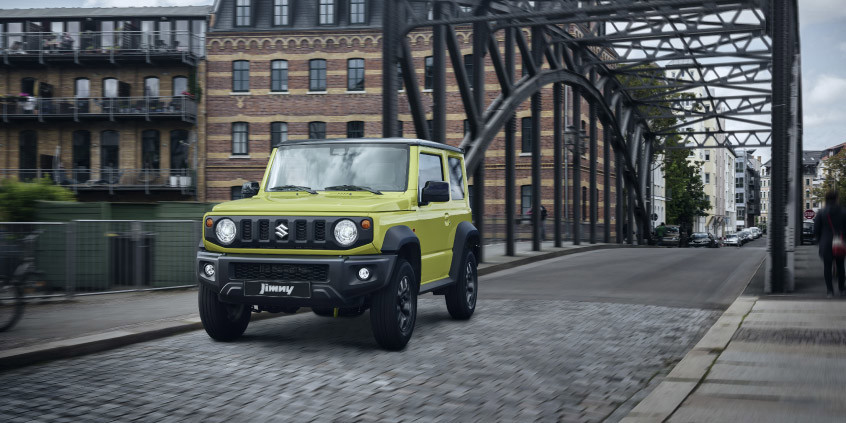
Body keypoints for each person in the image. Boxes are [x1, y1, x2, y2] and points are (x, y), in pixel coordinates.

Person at [813, 190, 845, 298]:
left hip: (825, 243)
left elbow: (816, 229)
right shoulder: (843, 212)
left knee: (827, 267)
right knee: (841, 266)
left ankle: (830, 291)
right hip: (840, 242)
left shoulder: (821, 212)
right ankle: (841, 289)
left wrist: (819, 240)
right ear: (836, 199)